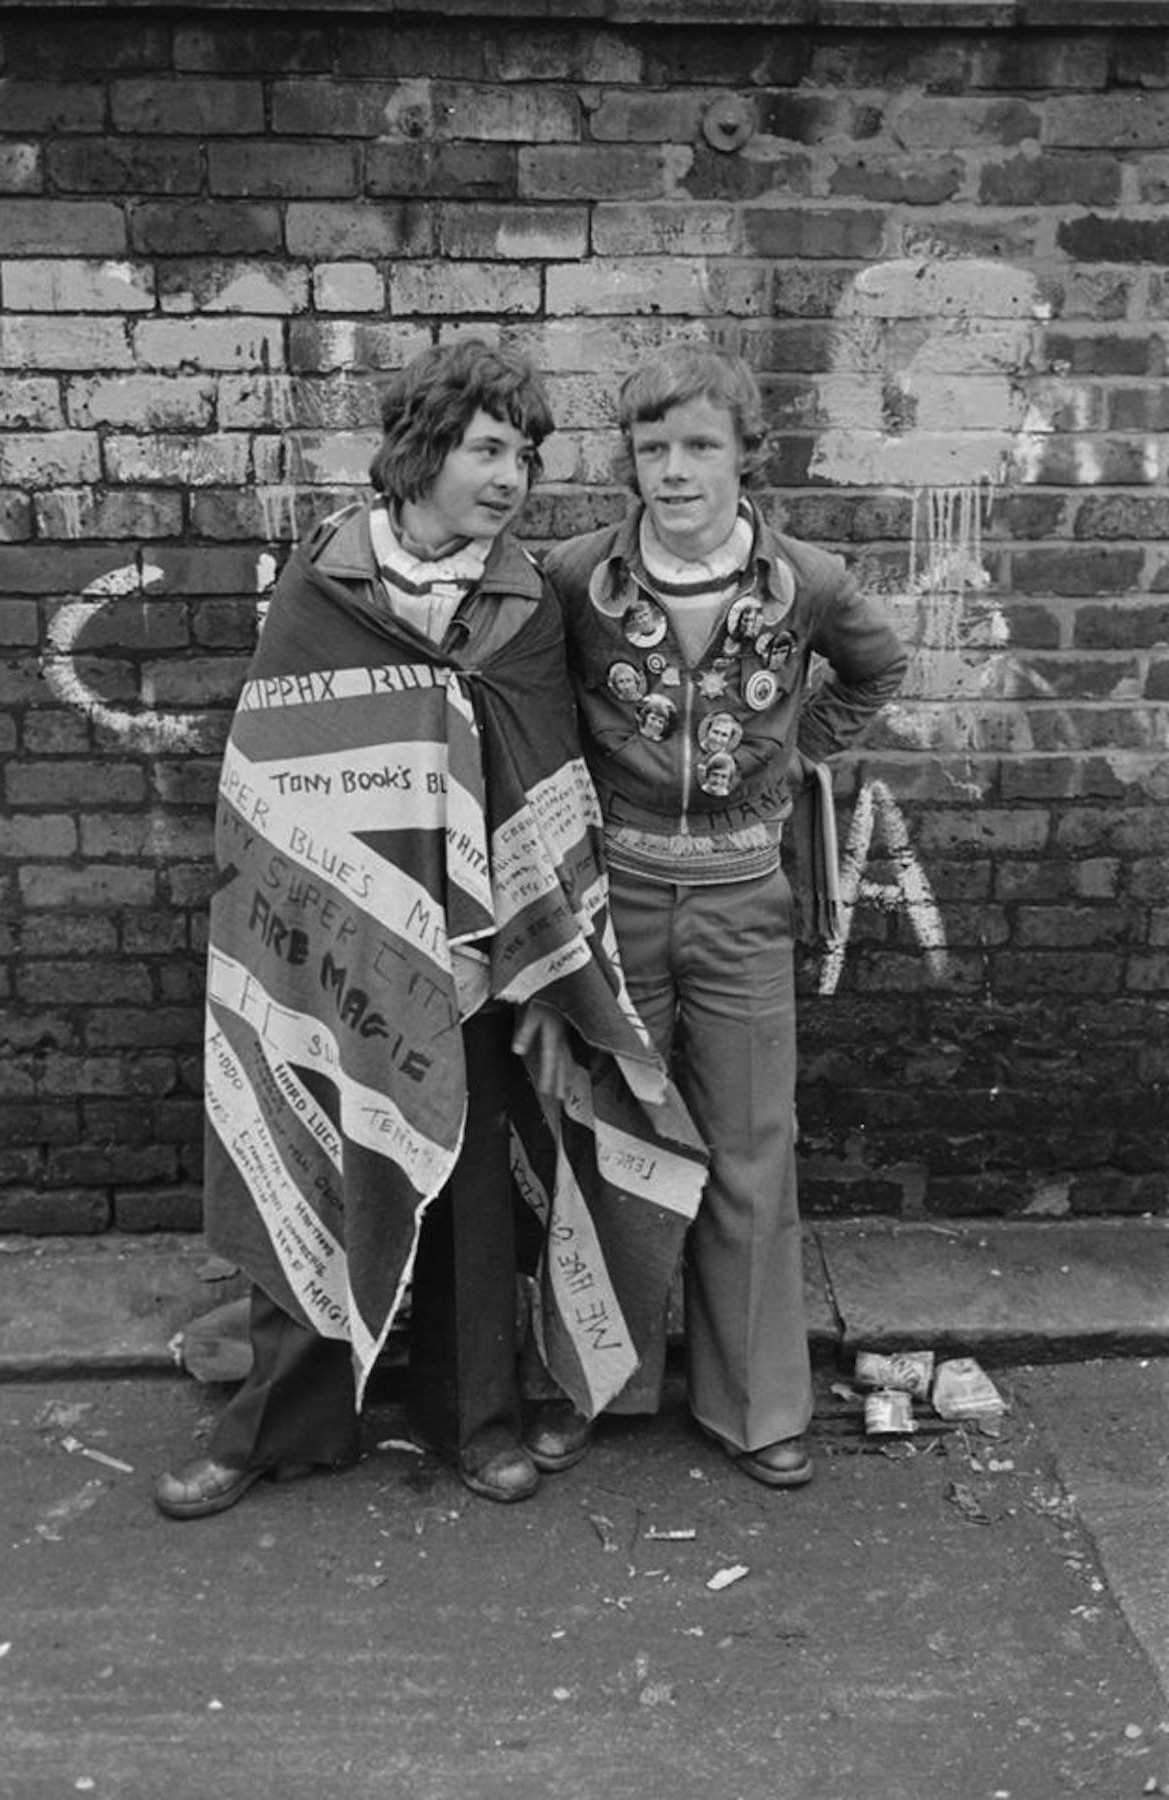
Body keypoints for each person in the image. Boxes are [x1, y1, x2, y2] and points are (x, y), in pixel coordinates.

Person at [153, 340, 704, 1520]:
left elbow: (540, 783)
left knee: (470, 1193)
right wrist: (334, 926)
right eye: (489, 449)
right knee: (312, 1159)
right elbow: (274, 782)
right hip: (329, 948)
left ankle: (476, 1421)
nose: (511, 478)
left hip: (481, 957)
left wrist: (502, 953)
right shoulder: (327, 586)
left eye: (527, 456)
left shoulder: (523, 606)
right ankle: (281, 1426)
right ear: (422, 450)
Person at [539, 342, 907, 1488]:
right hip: (618, 898)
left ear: (748, 456)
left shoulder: (808, 581)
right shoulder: (576, 577)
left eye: (701, 445)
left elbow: (876, 669)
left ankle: (754, 1406)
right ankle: (595, 1383)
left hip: (746, 899)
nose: (675, 470)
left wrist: (797, 755)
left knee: (750, 1149)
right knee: (610, 1139)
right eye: (652, 447)